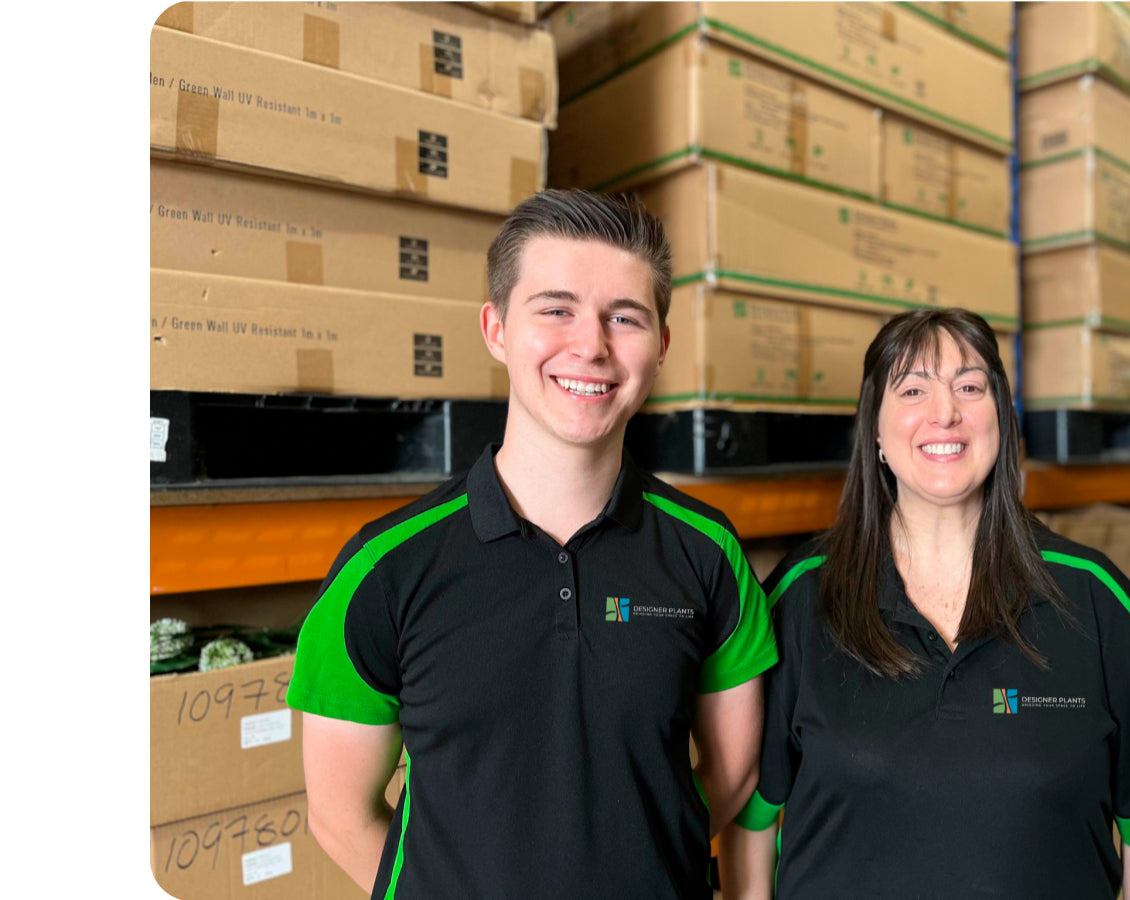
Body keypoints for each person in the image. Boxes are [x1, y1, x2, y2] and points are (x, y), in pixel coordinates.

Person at [287, 190, 776, 899]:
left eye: (625, 317)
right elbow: (338, 815)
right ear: (496, 328)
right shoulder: (384, 569)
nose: (591, 345)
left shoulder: (708, 554)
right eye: (556, 309)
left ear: (661, 346)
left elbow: (733, 775)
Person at [717, 308, 1130, 899]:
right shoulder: (802, 598)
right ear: (874, 430)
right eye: (912, 389)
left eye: (970, 387)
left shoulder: (1098, 602)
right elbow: (748, 823)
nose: (945, 412)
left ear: (1001, 420)